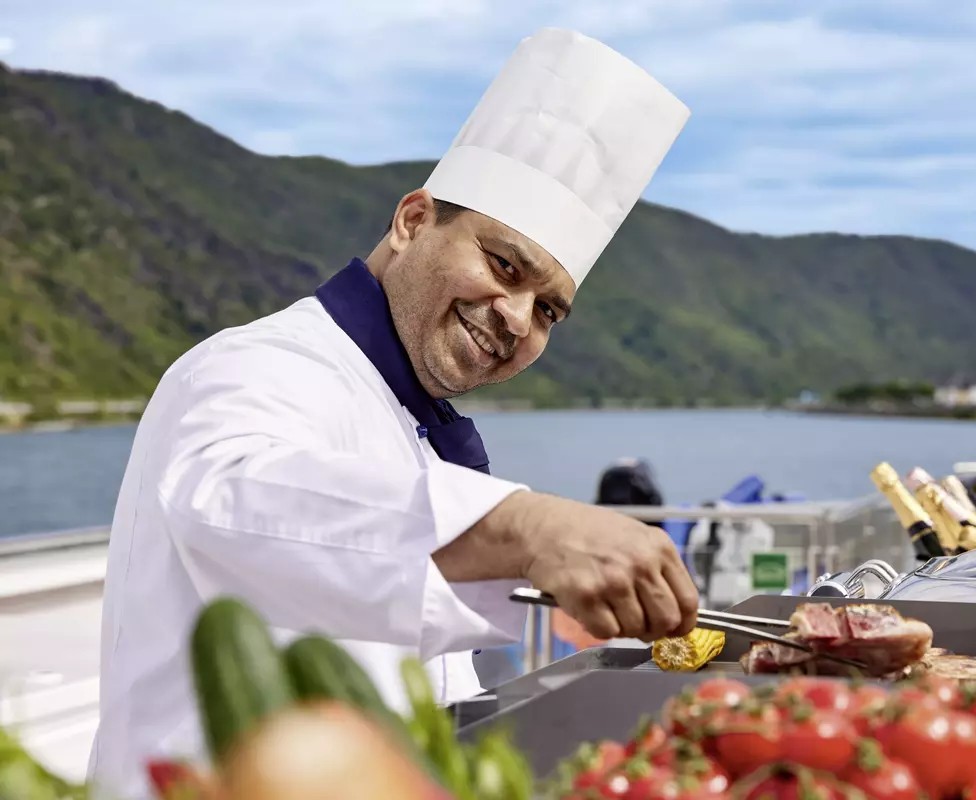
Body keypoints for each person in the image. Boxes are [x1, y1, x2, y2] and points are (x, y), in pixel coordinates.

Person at [87, 27, 696, 799]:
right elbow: (235, 495)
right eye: (503, 265)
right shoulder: (255, 363)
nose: (515, 317)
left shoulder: (415, 420)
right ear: (412, 222)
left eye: (548, 311)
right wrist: (530, 526)